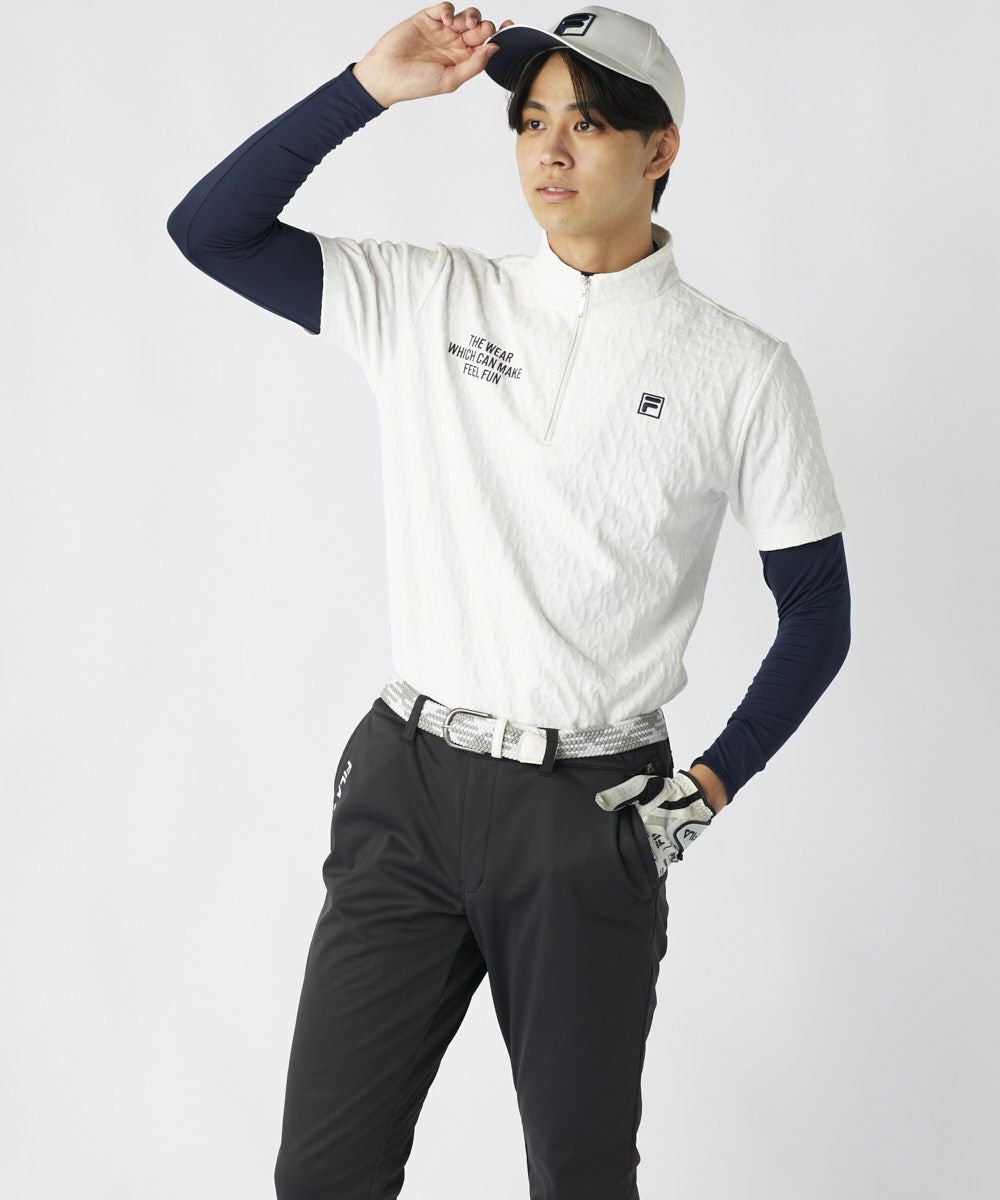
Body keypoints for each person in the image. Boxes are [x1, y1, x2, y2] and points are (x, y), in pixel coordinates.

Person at [167, 6, 851, 1197]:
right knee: (322, 1177)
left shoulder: (740, 371)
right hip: (407, 792)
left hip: (590, 812)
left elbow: (817, 614)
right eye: (531, 122)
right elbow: (210, 230)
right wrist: (365, 88)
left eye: (586, 124)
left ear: (659, 148)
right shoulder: (431, 298)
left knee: (578, 1178)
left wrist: (697, 796)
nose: (549, 150)